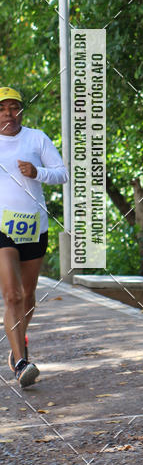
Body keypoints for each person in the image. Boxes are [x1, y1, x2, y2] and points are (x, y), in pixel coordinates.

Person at [0, 87, 68, 387]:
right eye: (2, 109)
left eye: (13, 108)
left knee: (27, 298)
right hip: (2, 230)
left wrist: (37, 172)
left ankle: (17, 347)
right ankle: (21, 362)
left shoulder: (36, 138)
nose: (8, 114)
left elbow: (62, 173)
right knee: (12, 295)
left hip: (33, 228)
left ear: (21, 112)